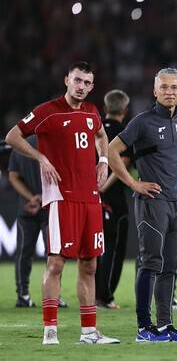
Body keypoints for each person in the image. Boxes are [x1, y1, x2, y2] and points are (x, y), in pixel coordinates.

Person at [5, 61, 119, 345]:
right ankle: (50, 331)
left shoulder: (92, 112)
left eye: (87, 83)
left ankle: (89, 332)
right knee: (56, 263)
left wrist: (103, 159)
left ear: (92, 86)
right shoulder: (48, 111)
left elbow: (101, 134)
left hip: (90, 198)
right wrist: (41, 158)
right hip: (61, 198)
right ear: (67, 80)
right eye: (77, 80)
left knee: (90, 265)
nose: (81, 86)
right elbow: (12, 136)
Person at [108, 68, 177, 342]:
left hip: (174, 203)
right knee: (151, 263)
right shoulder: (142, 122)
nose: (169, 92)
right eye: (164, 87)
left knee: (170, 266)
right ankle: (144, 328)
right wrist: (133, 184)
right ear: (155, 91)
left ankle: (166, 326)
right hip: (152, 204)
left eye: (174, 87)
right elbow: (111, 150)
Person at [9, 136, 68, 309]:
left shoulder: (19, 146)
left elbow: (13, 176)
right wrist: (43, 197)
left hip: (27, 207)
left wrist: (31, 197)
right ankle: (54, 296)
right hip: (51, 207)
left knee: (24, 253)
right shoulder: (56, 143)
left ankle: (23, 296)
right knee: (54, 254)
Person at [95, 89, 132, 310]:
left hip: (91, 199)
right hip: (114, 200)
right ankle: (105, 296)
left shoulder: (95, 130)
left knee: (93, 248)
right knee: (113, 248)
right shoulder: (124, 132)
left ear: (105, 108)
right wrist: (103, 187)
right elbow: (123, 163)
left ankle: (93, 293)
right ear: (125, 110)